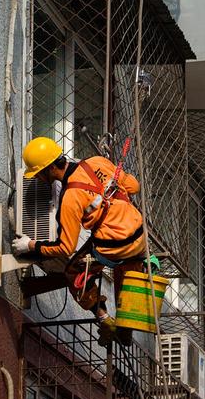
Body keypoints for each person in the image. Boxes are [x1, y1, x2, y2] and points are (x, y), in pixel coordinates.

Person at [11, 137, 147, 346]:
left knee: (74, 273)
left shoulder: (70, 197)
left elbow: (65, 247)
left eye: (38, 174)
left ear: (48, 170)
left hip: (112, 245)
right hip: (139, 236)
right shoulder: (97, 162)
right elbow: (134, 186)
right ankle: (125, 324)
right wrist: (110, 181)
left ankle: (105, 320)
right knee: (127, 269)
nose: (38, 179)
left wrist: (30, 245)